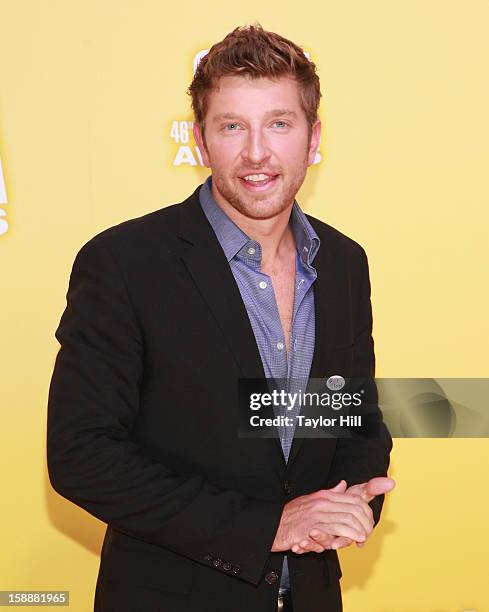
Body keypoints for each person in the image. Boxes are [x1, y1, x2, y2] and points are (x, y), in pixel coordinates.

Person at [47, 24, 394, 612]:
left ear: (313, 138)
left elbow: (347, 412)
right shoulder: (124, 263)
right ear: (203, 143)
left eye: (279, 124)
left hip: (310, 596)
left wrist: (351, 498)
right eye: (233, 126)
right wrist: (267, 529)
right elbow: (83, 455)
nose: (256, 153)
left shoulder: (342, 262)